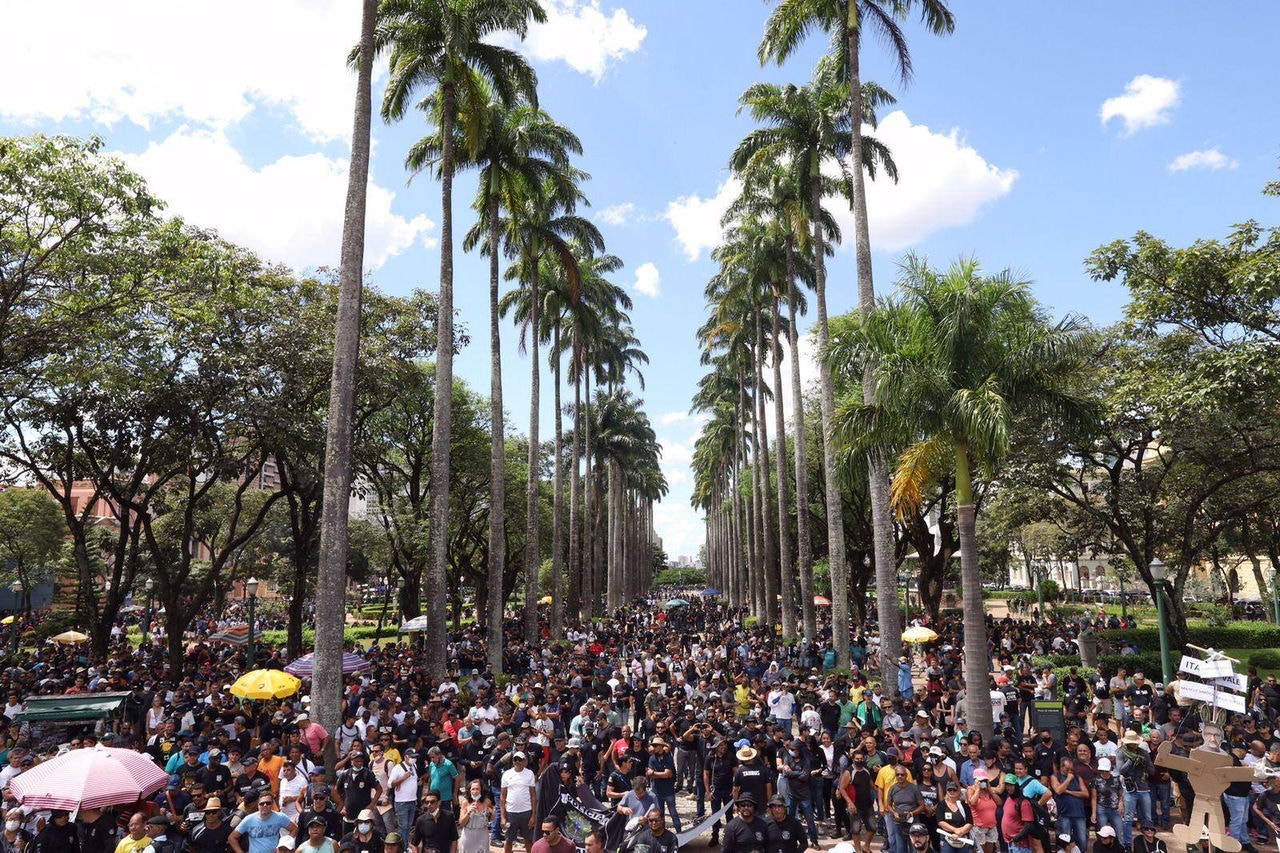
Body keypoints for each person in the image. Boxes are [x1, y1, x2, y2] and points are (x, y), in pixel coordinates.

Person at [232, 795, 298, 853]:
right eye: (262, 803)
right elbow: (232, 837)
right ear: (258, 805)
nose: (265, 805)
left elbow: (295, 829)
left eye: (268, 803)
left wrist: (285, 844)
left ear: (272, 804)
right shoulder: (249, 819)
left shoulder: (280, 817)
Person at [501, 752, 536, 853]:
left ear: (524, 761)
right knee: (509, 840)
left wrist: (533, 815)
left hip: (526, 812)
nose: (517, 761)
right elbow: (503, 797)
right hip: (511, 813)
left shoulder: (529, 774)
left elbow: (533, 795)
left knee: (528, 840)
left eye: (519, 759)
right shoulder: (506, 774)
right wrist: (503, 817)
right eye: (515, 759)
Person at [645, 738, 681, 834]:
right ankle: (663, 833)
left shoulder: (668, 757)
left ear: (661, 746)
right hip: (657, 791)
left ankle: (680, 833)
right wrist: (661, 774)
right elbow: (651, 774)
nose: (654, 747)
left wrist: (654, 773)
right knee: (660, 815)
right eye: (654, 745)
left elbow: (668, 774)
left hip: (668, 791)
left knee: (673, 813)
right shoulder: (652, 758)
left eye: (656, 745)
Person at [387, 750, 420, 836]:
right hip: (402, 802)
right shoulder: (397, 768)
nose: (414, 759)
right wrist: (403, 778)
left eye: (415, 757)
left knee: (409, 826)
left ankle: (405, 846)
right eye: (412, 757)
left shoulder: (414, 766)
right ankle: (402, 848)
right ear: (405, 757)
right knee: (403, 826)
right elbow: (390, 784)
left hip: (413, 800)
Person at [999, 780, 1037, 853]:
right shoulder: (1008, 799)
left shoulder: (1024, 803)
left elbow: (1029, 825)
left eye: (1011, 785)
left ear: (1016, 786)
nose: (1008, 788)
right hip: (1011, 843)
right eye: (1007, 785)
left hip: (1020, 845)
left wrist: (1017, 838)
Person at [457, 780, 493, 853]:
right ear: (469, 791)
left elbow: (491, 819)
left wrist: (492, 813)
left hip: (482, 834)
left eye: (477, 789)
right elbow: (461, 823)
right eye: (473, 789)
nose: (475, 791)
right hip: (468, 835)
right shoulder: (465, 802)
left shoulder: (487, 802)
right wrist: (468, 812)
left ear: (481, 790)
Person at [937, 782, 973, 853]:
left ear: (958, 791)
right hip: (947, 837)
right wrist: (955, 830)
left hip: (963, 837)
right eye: (949, 790)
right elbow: (940, 822)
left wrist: (960, 833)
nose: (952, 792)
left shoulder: (964, 805)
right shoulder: (942, 804)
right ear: (946, 791)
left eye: (954, 790)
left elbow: (970, 822)